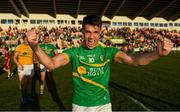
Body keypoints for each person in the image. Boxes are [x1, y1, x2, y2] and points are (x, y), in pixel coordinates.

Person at [27, 15, 173, 111]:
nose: (91, 37)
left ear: (101, 32)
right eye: (88, 32)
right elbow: (51, 64)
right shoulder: (74, 52)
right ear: (82, 32)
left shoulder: (108, 52)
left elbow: (134, 61)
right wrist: (35, 47)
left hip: (103, 105)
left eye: (95, 32)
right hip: (80, 106)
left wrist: (157, 54)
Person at [13, 35, 34, 104]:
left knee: (29, 83)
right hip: (22, 66)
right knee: (23, 83)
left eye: (27, 40)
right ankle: (23, 97)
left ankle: (28, 97)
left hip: (31, 66)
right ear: (23, 40)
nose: (27, 41)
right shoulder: (19, 47)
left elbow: (34, 56)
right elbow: (14, 58)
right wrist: (18, 65)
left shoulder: (31, 46)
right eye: (25, 40)